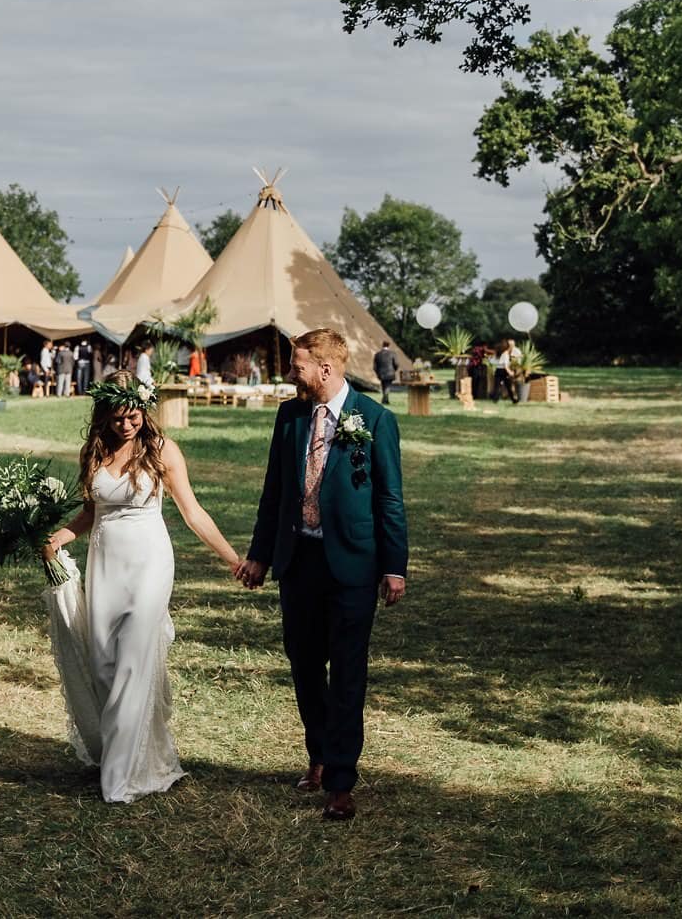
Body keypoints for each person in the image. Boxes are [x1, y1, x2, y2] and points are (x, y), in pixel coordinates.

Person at [43, 373, 243, 802]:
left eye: (133, 415)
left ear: (143, 409)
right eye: (118, 418)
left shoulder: (163, 450)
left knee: (133, 659)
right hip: (105, 562)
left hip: (150, 561)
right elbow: (90, 515)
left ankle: (119, 779)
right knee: (103, 664)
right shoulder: (93, 452)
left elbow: (193, 513)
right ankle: (133, 751)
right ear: (104, 416)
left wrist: (232, 559)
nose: (127, 425)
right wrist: (61, 536)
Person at [238, 328, 408, 822]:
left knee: (348, 671)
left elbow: (389, 499)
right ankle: (318, 753)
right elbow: (275, 493)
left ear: (326, 369)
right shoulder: (289, 417)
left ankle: (340, 779)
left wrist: (394, 566)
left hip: (353, 565)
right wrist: (260, 556)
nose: (291, 374)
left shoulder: (375, 420)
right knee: (306, 667)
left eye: (297, 366)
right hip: (299, 563)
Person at [372, 339, 397, 406]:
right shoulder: (393, 354)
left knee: (384, 386)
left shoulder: (378, 354)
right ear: (389, 345)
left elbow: (374, 367)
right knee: (387, 386)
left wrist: (377, 373)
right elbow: (396, 364)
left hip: (381, 374)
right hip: (390, 373)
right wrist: (394, 370)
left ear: (382, 345)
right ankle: (385, 399)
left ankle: (385, 400)